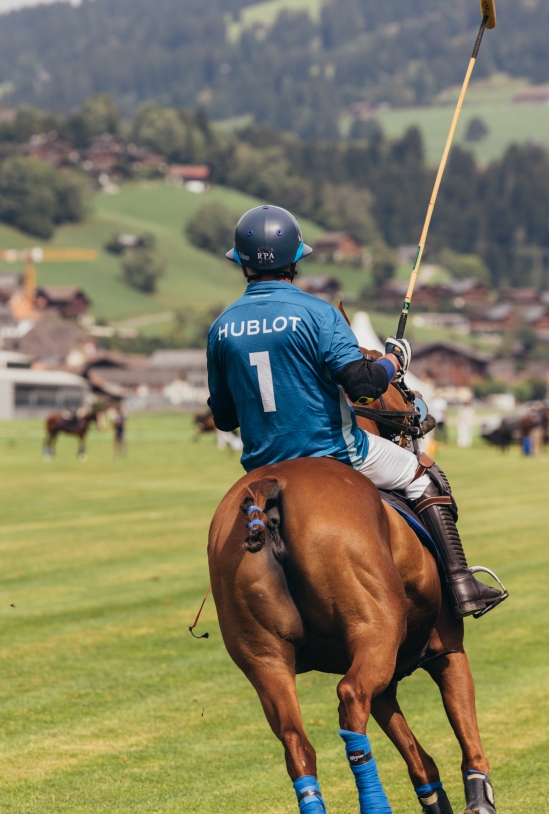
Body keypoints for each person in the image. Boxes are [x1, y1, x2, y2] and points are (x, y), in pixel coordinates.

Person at [207, 205, 506, 619]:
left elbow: (223, 418)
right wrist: (393, 361)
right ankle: (461, 584)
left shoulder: (221, 328)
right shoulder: (318, 313)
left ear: (241, 262)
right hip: (336, 452)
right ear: (295, 260)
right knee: (425, 476)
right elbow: (363, 387)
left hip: (261, 467)